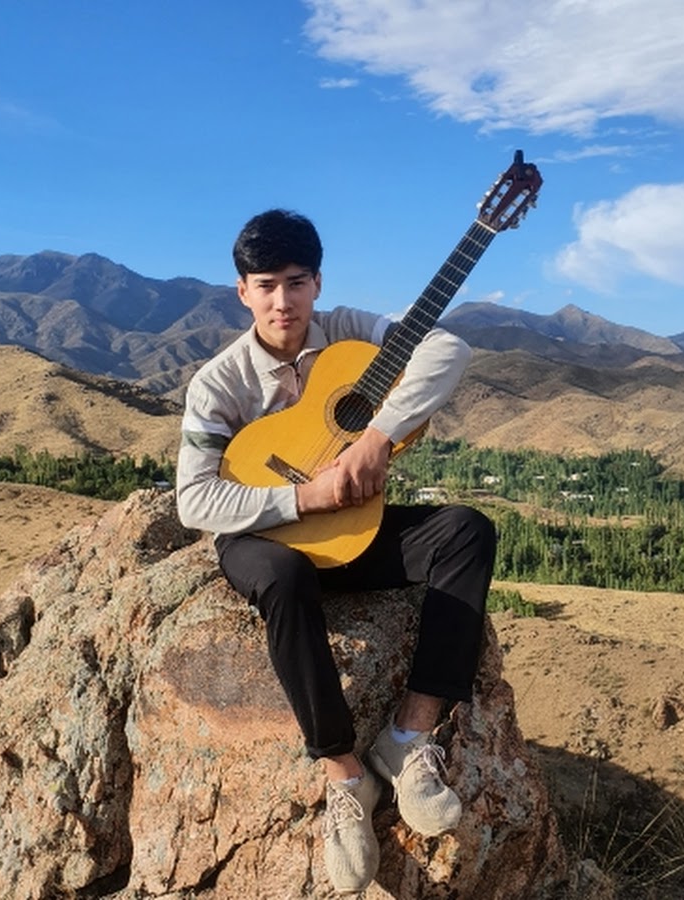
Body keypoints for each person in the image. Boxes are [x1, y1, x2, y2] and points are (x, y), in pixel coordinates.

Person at [176, 209, 496, 894]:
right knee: (284, 575)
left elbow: (447, 350)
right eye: (266, 285)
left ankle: (407, 739)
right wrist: (303, 499)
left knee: (467, 530)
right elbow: (195, 500)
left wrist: (378, 436)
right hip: (264, 539)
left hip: (355, 532)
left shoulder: (350, 331)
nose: (282, 302)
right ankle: (345, 775)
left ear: (318, 283)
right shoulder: (218, 383)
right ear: (242, 291)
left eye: (296, 282)